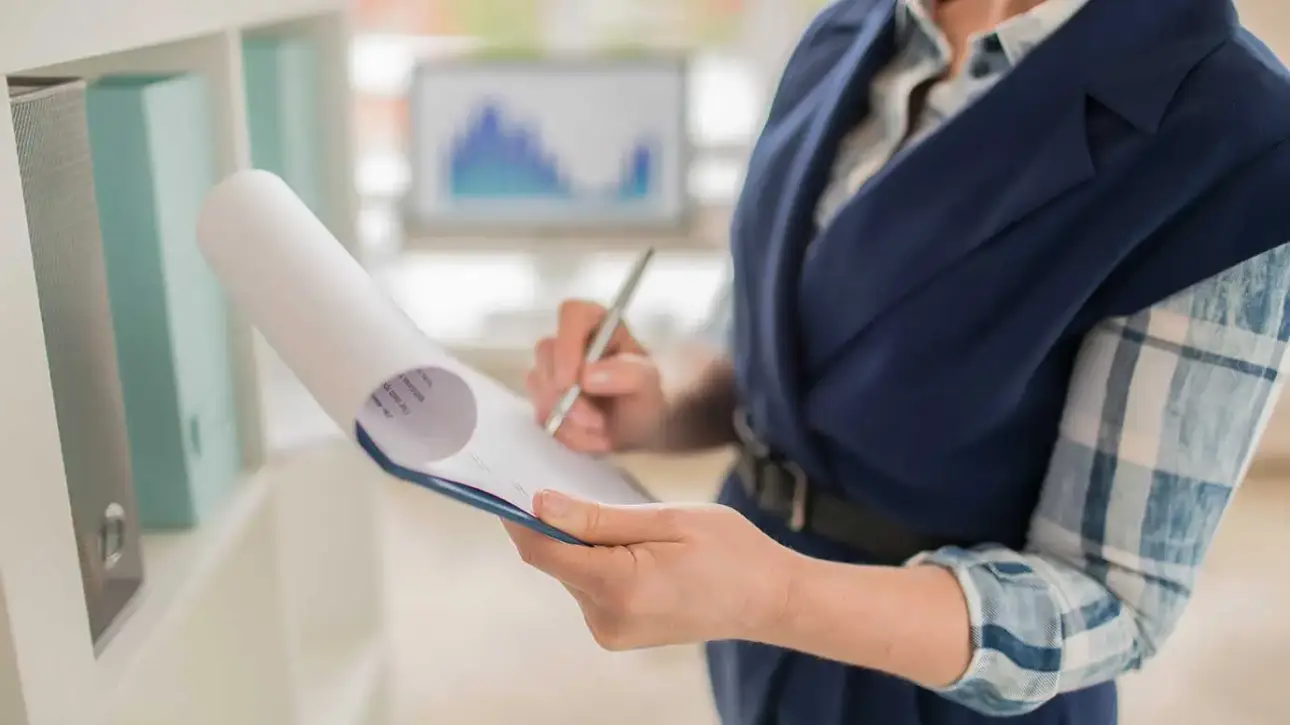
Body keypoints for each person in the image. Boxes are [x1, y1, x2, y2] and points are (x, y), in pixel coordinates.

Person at [504, 1, 1290, 724]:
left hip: (942, 690)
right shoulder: (847, 31)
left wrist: (776, 594)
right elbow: (761, 329)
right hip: (756, 643)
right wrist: (663, 398)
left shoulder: (1239, 139)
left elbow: (1113, 599)